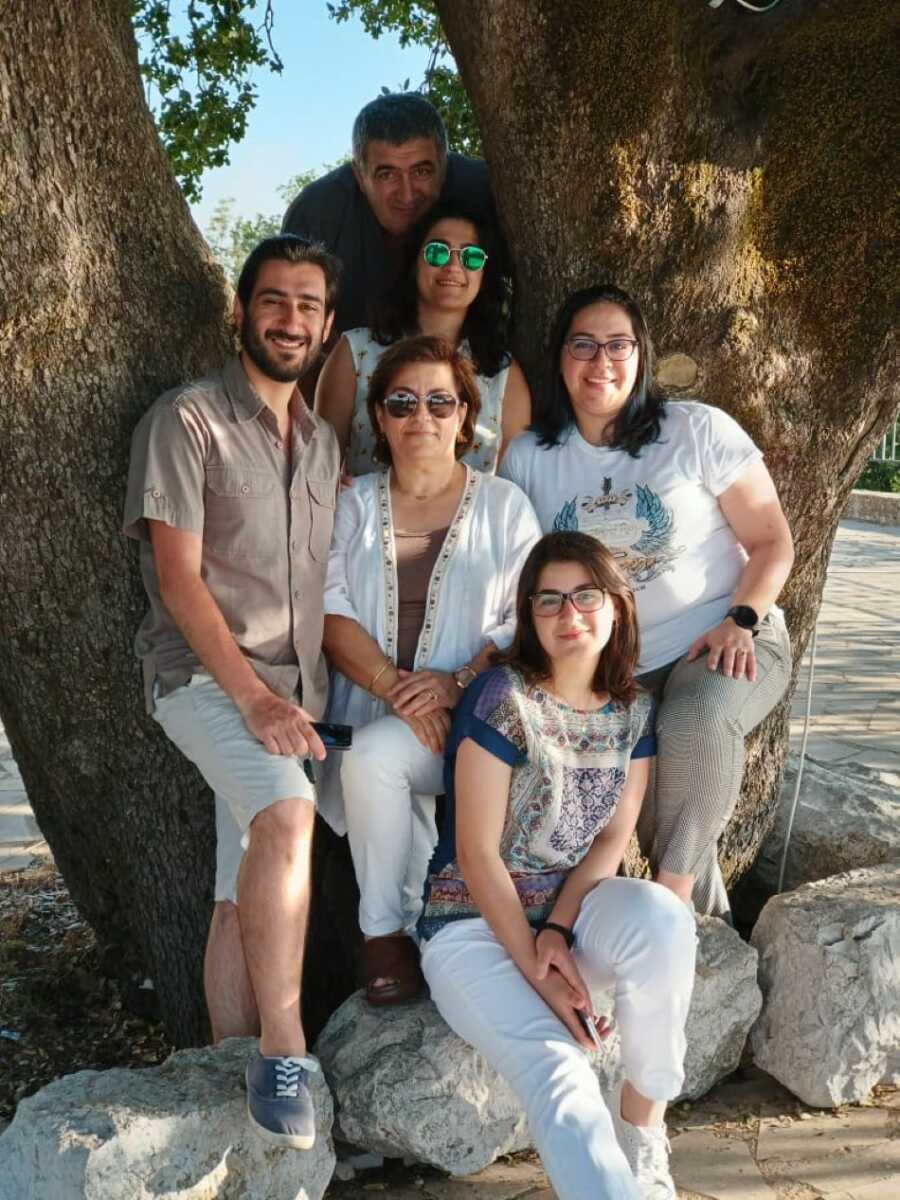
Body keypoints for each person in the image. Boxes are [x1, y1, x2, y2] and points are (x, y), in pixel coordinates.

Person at [123, 234, 342, 1150]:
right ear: (243, 311)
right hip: (206, 682)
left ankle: (228, 1069)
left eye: (306, 305)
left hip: (297, 695)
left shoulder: (325, 442)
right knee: (288, 816)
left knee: (235, 892)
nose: (290, 319)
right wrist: (253, 699)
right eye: (274, 301)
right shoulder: (188, 421)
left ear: (327, 326)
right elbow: (178, 580)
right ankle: (284, 1050)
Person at [500, 283, 794, 917]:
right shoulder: (529, 458)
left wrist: (741, 620)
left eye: (618, 345)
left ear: (641, 356)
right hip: (613, 668)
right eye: (583, 344)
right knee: (668, 814)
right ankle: (703, 931)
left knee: (697, 719)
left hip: (728, 634)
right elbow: (510, 569)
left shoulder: (696, 430)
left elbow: (773, 542)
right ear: (560, 357)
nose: (600, 361)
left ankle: (671, 902)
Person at [418, 531, 697, 1200]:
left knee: (662, 916)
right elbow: (475, 854)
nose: (569, 616)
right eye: (549, 601)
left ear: (618, 607)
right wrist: (535, 967)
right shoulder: (501, 698)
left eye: (585, 596)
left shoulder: (634, 710)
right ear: (529, 614)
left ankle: (644, 1132)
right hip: (470, 926)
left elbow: (609, 843)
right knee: (562, 1070)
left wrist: (559, 933)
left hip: (568, 921)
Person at [317, 334, 541, 1005]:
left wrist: (457, 685)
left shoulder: (504, 506)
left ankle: (402, 937)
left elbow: (525, 618)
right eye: (403, 402)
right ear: (378, 418)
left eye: (440, 402)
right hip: (369, 717)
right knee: (372, 754)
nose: (422, 416)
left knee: (383, 758)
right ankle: (392, 938)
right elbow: (326, 612)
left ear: (465, 417)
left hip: (479, 728)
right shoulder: (351, 507)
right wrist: (398, 691)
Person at [315, 203, 530, 475]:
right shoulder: (355, 352)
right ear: (413, 262)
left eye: (471, 256)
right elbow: (319, 469)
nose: (453, 265)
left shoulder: (502, 374)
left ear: (484, 272)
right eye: (437, 252)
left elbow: (513, 485)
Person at [282, 92, 498, 342]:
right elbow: (292, 334)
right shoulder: (317, 215)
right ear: (360, 176)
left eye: (422, 171)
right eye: (387, 175)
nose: (407, 195)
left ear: (445, 166)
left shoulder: (485, 192)